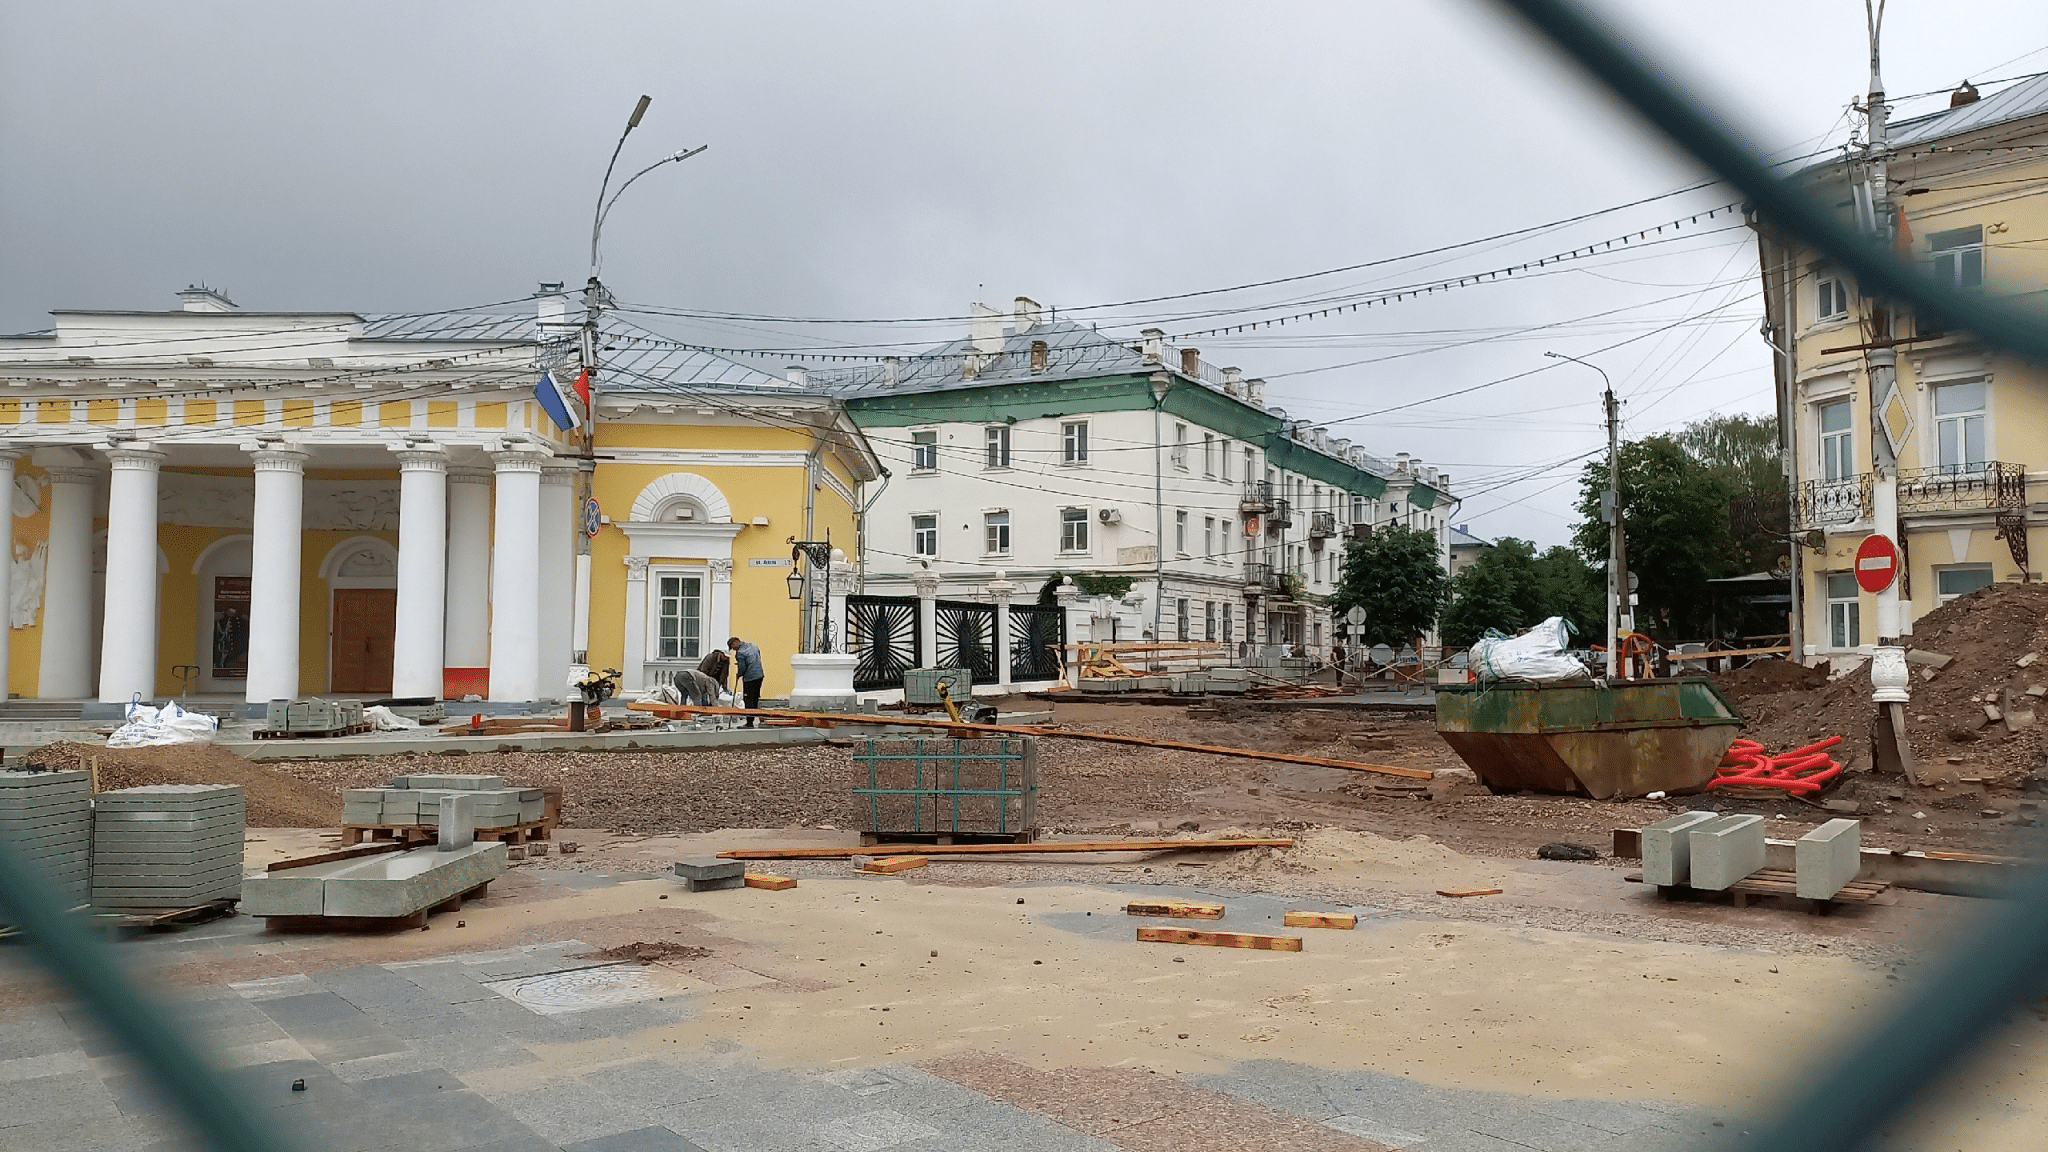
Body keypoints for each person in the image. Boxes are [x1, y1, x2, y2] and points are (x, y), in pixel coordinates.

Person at [728, 636, 764, 726]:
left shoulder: (740, 652)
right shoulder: (753, 646)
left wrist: (738, 674)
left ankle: (749, 722)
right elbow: (757, 657)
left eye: (732, 647)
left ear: (734, 643)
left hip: (750, 678)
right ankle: (755, 717)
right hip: (759, 675)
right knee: (755, 698)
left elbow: (742, 668)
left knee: (748, 699)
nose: (733, 649)